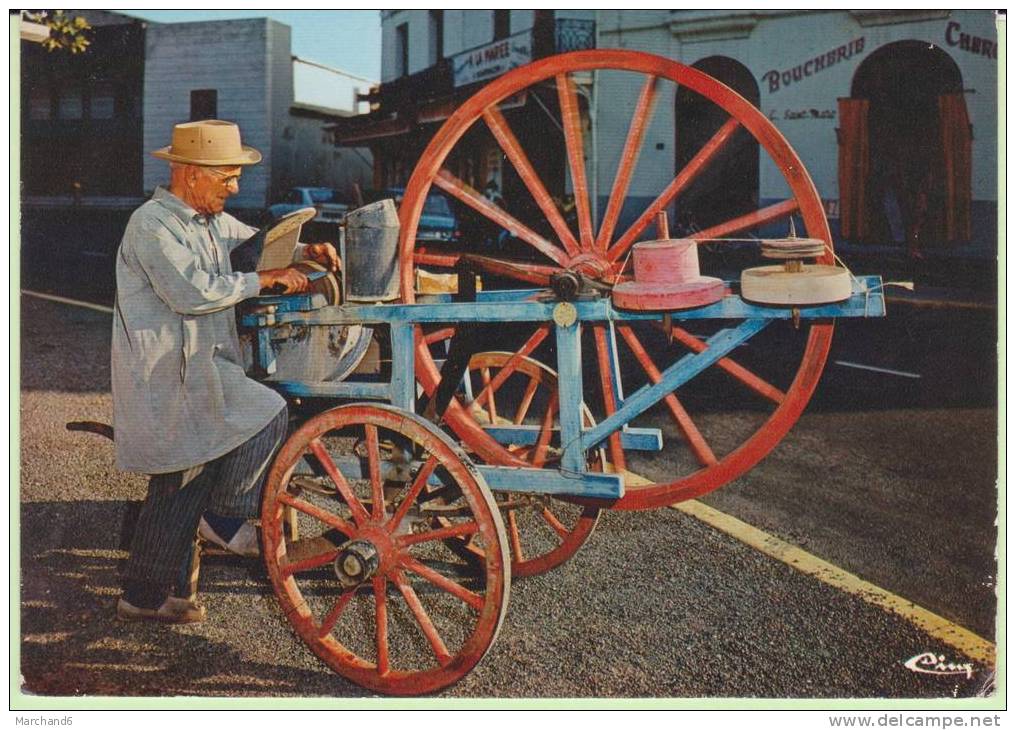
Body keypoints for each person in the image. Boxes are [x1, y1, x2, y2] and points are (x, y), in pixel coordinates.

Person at [111, 119, 339, 623]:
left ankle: (150, 597)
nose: (235, 188)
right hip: (166, 377)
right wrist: (265, 279)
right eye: (227, 178)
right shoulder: (151, 224)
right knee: (252, 422)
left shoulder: (207, 219)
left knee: (183, 481)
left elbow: (257, 244)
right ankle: (223, 518)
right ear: (191, 174)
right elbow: (192, 291)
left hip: (199, 372)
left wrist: (306, 251)